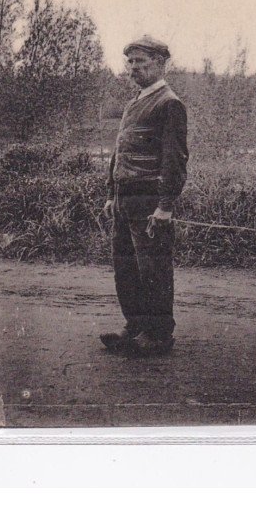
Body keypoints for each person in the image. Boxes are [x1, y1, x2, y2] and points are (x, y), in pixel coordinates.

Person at [100, 36, 188, 356]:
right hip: (125, 199)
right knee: (125, 266)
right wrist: (112, 194)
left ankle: (159, 334)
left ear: (160, 64)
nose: (133, 68)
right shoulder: (134, 102)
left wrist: (165, 206)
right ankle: (135, 327)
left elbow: (174, 160)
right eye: (131, 62)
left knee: (154, 268)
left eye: (141, 62)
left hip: (149, 199)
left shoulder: (169, 103)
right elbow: (119, 152)